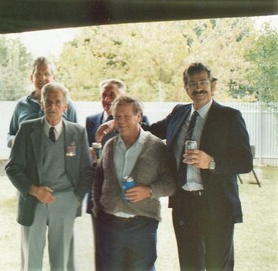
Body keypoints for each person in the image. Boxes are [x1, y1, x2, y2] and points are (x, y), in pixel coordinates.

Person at [97, 62, 253, 270]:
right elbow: (149, 129)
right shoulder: (179, 113)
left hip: (217, 207)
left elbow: (245, 161)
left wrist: (211, 162)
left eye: (203, 83)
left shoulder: (229, 116)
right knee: (189, 266)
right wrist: (117, 122)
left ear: (213, 85)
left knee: (218, 266)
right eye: (192, 84)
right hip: (184, 206)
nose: (198, 88)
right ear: (185, 87)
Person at [5, 82, 94, 271]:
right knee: (32, 260)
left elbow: (87, 170)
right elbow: (12, 167)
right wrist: (34, 190)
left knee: (62, 259)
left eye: (57, 102)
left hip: (65, 202)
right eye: (48, 102)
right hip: (33, 201)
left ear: (65, 106)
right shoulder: (27, 129)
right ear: (42, 104)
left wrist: (76, 198)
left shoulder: (77, 132)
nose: (53, 106)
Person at [93, 95, 176, 270]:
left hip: (142, 224)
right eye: (117, 117)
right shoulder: (110, 146)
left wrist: (149, 191)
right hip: (110, 224)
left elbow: (171, 182)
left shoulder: (156, 147)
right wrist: (98, 212)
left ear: (139, 116)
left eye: (126, 116)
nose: (121, 121)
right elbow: (98, 180)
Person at [84, 78, 150, 269]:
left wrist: (115, 122)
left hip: (130, 200)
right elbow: (88, 159)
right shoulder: (91, 121)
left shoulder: (140, 120)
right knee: (102, 256)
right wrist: (90, 155)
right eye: (103, 95)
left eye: (111, 95)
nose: (106, 99)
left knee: (131, 260)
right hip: (99, 197)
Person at [7, 56, 78, 148]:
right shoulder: (21, 105)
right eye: (38, 74)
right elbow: (10, 135)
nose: (42, 78)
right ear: (31, 77)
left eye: (47, 74)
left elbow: (75, 136)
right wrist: (18, 141)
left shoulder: (66, 104)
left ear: (54, 77)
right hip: (28, 159)